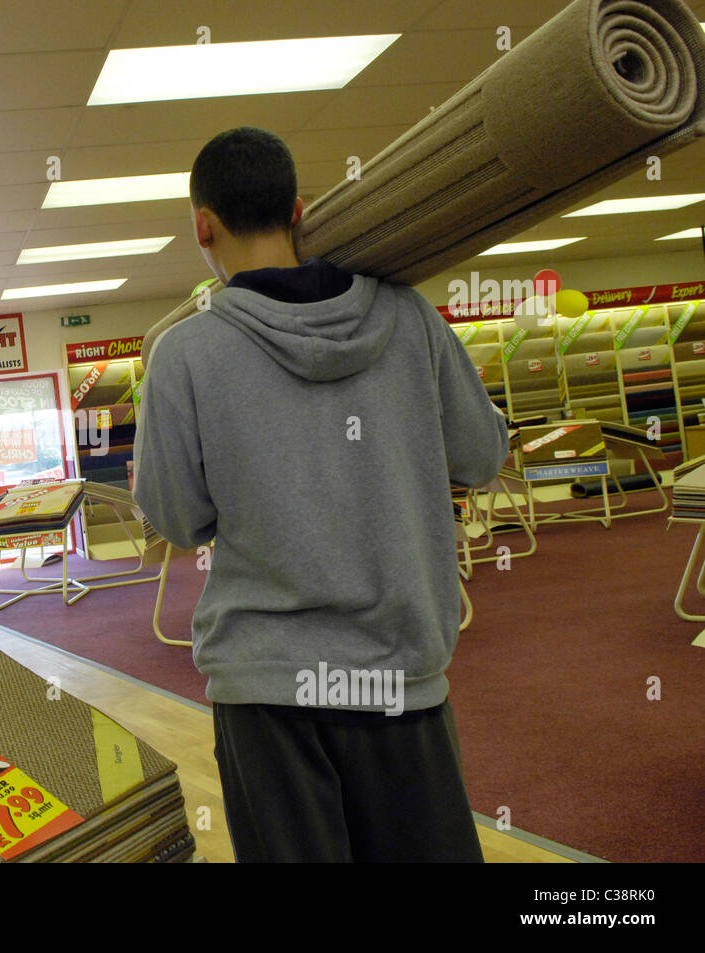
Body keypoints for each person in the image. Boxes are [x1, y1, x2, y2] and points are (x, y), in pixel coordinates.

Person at [132, 126, 509, 862]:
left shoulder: (183, 351)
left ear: (202, 225)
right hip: (398, 676)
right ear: (298, 210)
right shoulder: (410, 317)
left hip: (267, 687)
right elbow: (482, 456)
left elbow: (176, 518)